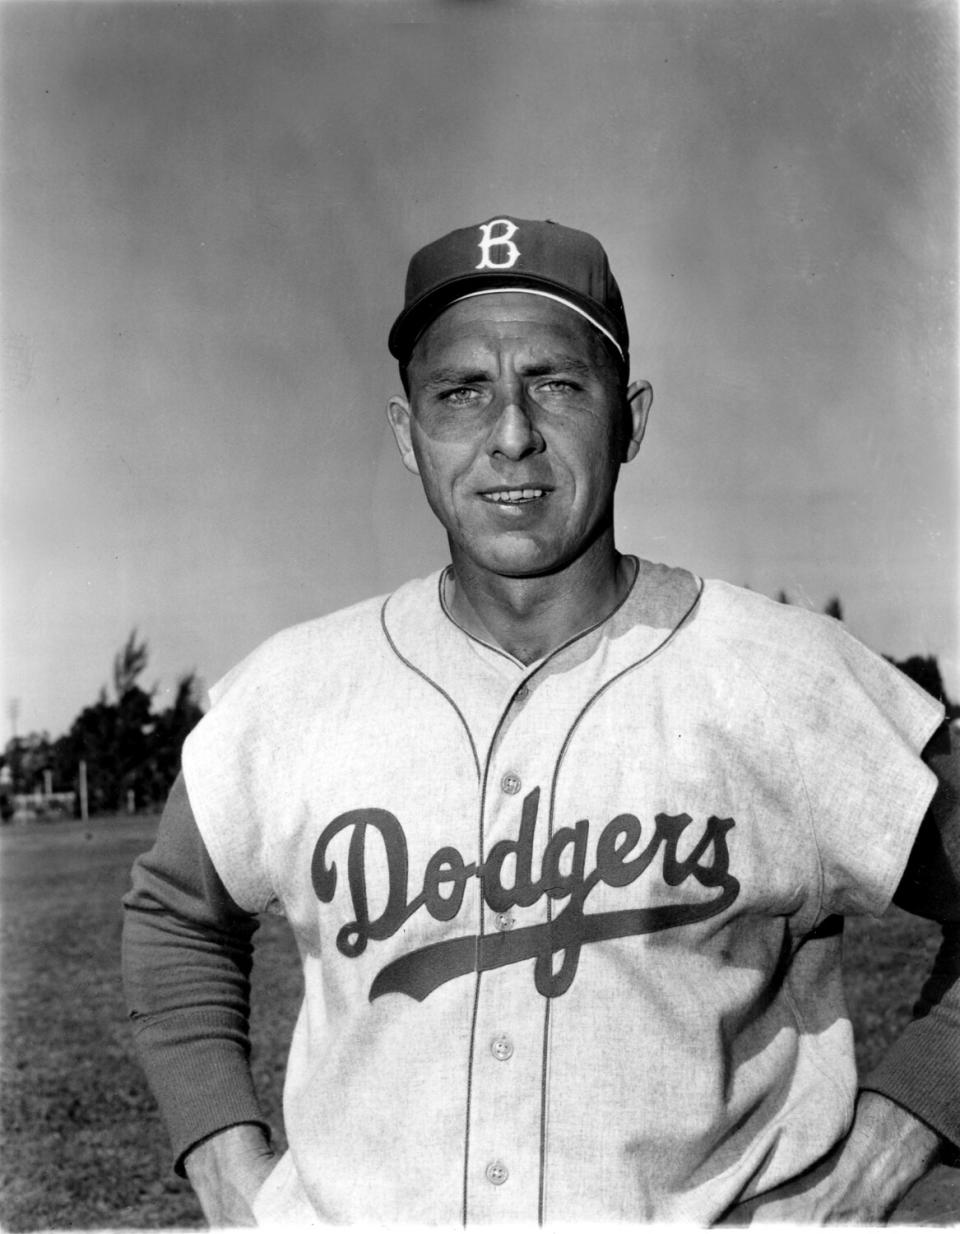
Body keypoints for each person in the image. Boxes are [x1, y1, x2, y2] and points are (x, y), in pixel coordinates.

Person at [122, 215, 960, 1226]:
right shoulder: (297, 690)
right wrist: (224, 1163)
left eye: (557, 384)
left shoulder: (782, 677)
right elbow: (175, 914)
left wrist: (891, 1142)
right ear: (407, 435)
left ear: (631, 418)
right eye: (460, 393)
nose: (510, 432)